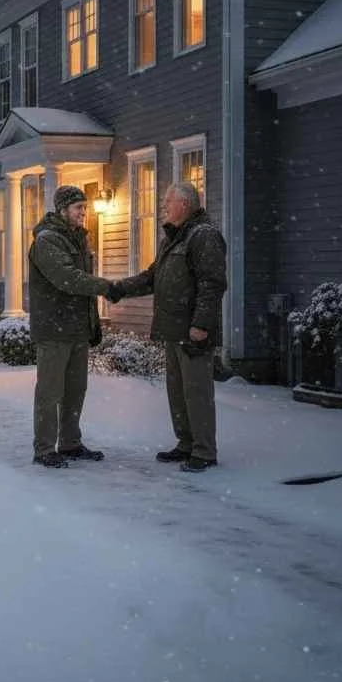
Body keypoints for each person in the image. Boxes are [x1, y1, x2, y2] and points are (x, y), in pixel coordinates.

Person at [113, 181, 227, 472]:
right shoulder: (174, 239)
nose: (163, 206)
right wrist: (118, 288)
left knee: (196, 392)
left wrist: (200, 325)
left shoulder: (204, 236)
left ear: (185, 205)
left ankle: (204, 451)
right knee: (177, 391)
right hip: (173, 330)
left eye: (168, 202)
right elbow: (152, 277)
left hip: (192, 331)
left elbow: (211, 284)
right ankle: (186, 444)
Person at [28, 184, 115, 468]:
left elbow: (80, 284)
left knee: (76, 390)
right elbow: (68, 279)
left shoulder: (78, 238)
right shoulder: (47, 240)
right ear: (63, 209)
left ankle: (69, 443)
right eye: (79, 208)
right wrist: (107, 287)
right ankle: (44, 449)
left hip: (76, 328)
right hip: (54, 329)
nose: (84, 213)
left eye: (85, 207)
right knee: (50, 392)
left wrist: (91, 323)